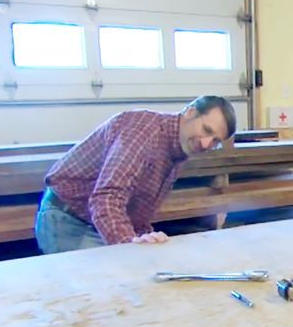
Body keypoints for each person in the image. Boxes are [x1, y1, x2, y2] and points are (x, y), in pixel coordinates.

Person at [35, 95, 236, 254]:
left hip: (96, 221)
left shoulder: (177, 147)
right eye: (206, 130)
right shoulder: (143, 133)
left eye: (215, 141)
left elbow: (135, 208)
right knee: (99, 293)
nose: (205, 143)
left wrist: (145, 237)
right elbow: (106, 198)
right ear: (190, 112)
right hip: (69, 221)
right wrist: (131, 249)